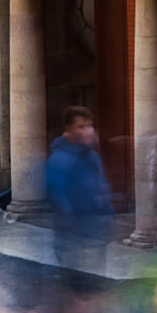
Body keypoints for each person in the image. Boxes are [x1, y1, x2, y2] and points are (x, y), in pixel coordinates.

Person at [41, 108, 117, 277]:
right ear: (68, 131)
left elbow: (101, 189)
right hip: (75, 239)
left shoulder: (92, 158)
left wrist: (108, 217)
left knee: (94, 286)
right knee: (79, 288)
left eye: (89, 126)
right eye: (80, 127)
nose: (88, 131)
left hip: (96, 235)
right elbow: (59, 199)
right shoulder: (60, 160)